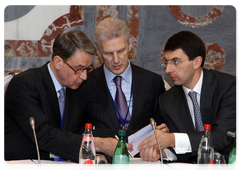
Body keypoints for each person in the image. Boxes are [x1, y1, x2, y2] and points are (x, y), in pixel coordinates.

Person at [0, 30, 127, 162]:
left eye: (88, 69)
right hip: (19, 163)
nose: (84, 76)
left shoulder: (76, 88)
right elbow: (43, 135)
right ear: (58, 62)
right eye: (79, 69)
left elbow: (76, 133)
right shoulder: (25, 84)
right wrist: (98, 144)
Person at [138, 31, 240, 163]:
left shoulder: (229, 87)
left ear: (197, 62)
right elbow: (183, 149)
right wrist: (162, 152)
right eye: (166, 62)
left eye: (176, 62)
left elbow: (222, 136)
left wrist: (172, 139)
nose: (168, 69)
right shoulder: (167, 100)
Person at [80, 17, 167, 142]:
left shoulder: (153, 81)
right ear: (98, 51)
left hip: (143, 158)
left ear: (130, 44)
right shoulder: (85, 83)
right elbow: (75, 130)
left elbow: (161, 126)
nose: (116, 60)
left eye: (121, 51)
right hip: (101, 158)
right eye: (108, 53)